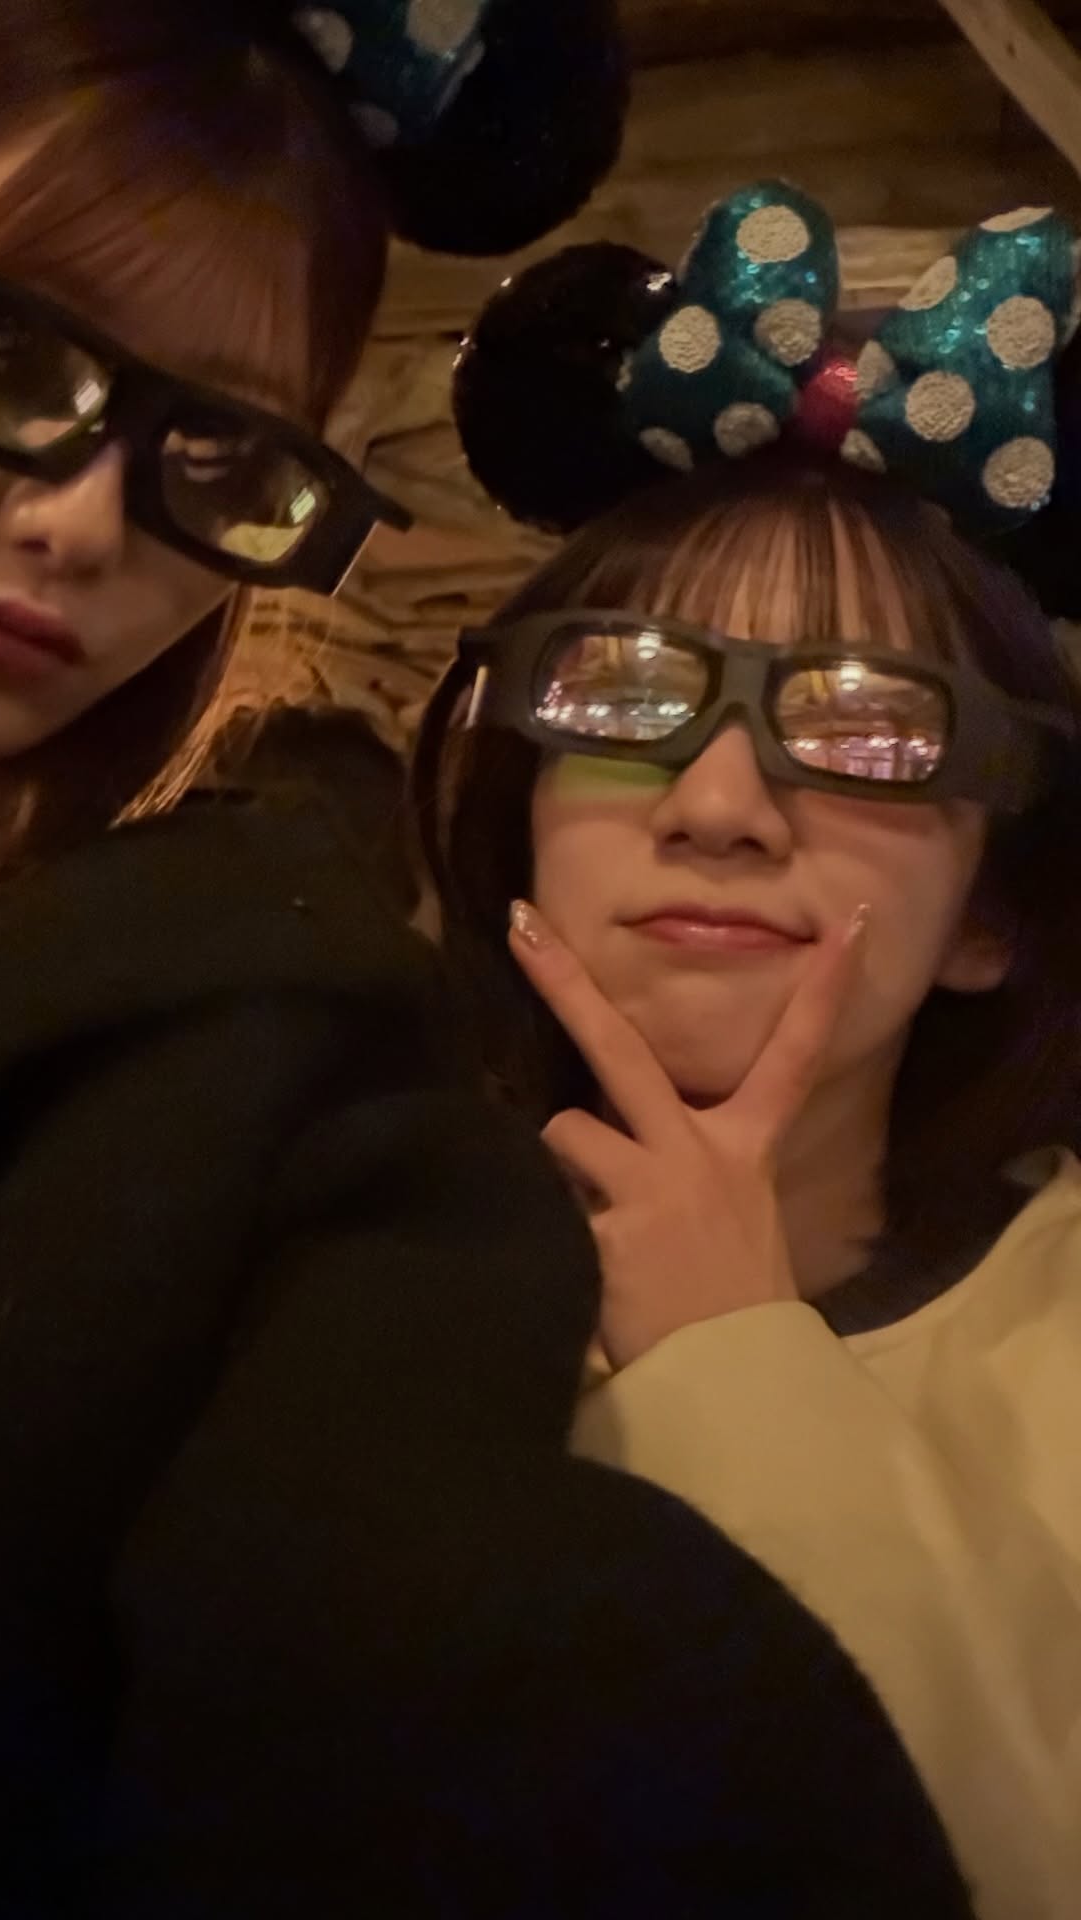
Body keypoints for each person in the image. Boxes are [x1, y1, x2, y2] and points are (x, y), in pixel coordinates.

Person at [0, 22, 976, 1916]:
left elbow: (411, 1581)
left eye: (217, 457)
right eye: (0, 357)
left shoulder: (238, 1058)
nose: (77, 523)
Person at [417, 180, 1081, 1918]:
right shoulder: (325, 1263)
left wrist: (736, 1359)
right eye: (631, 692)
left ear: (995, 912)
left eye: (867, 723)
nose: (717, 803)